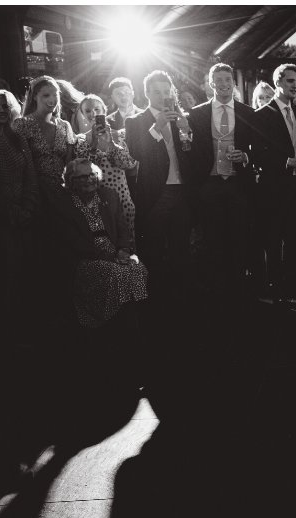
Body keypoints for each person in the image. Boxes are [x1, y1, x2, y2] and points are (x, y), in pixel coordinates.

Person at [250, 63, 296, 304]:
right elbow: (258, 152)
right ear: (278, 82)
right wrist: (286, 162)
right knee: (274, 237)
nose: (295, 86)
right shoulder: (262, 115)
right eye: (290, 81)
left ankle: (295, 288)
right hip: (275, 186)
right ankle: (275, 290)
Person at [187, 62, 257, 300]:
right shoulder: (197, 114)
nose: (224, 84)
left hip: (238, 185)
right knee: (212, 238)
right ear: (211, 84)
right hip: (209, 183)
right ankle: (216, 291)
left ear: (233, 83)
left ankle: (239, 288)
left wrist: (246, 155)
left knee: (239, 237)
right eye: (219, 80)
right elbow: (192, 150)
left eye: (228, 80)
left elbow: (259, 147)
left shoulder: (248, 113)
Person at [51, 158, 147, 328]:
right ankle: (115, 322)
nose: (89, 179)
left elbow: (122, 229)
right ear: (71, 181)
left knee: (137, 268)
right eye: (82, 177)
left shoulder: (109, 195)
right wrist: (110, 256)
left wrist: (124, 249)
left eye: (92, 174)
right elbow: (74, 241)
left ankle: (134, 318)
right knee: (116, 273)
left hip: (115, 253)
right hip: (85, 259)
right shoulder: (64, 204)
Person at [123, 69, 194, 301]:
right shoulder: (135, 120)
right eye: (157, 91)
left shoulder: (180, 117)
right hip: (156, 192)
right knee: (153, 247)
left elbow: (189, 153)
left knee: (180, 246)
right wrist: (157, 125)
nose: (163, 95)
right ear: (147, 93)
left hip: (181, 189)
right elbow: (136, 152)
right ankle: (154, 298)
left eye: (166, 91)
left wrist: (187, 131)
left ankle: (180, 296)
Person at [0, 88, 40, 324]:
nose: (2, 110)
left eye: (4, 106)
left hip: (25, 214)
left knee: (26, 272)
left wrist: (28, 207)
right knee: (3, 276)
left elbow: (30, 176)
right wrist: (12, 212)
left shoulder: (16, 137)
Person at [73, 94, 137, 238]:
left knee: (127, 247)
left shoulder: (120, 135)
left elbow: (129, 164)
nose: (93, 114)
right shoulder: (80, 140)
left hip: (122, 199)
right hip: (95, 202)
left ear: (104, 111)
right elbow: (84, 171)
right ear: (83, 114)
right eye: (88, 111)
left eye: (97, 109)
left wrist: (110, 144)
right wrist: (94, 143)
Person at [14, 76, 76, 194]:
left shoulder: (64, 125)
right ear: (35, 97)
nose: (52, 99)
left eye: (55, 94)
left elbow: (69, 162)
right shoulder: (22, 124)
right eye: (46, 95)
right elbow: (18, 164)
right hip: (33, 191)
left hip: (62, 190)